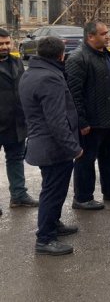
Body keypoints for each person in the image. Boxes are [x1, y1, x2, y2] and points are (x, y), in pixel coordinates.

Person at [19, 36, 83, 255]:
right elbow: (56, 121)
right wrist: (74, 148)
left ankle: (53, 224)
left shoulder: (31, 72)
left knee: (53, 189)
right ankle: (45, 238)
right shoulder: (50, 78)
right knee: (52, 193)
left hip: (43, 144)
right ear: (61, 55)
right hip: (54, 148)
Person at [65, 20, 110, 211]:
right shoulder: (78, 58)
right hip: (91, 121)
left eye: (107, 32)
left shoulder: (104, 54)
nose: (108, 36)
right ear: (90, 36)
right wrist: (81, 121)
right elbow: (73, 93)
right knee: (86, 159)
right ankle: (82, 197)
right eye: (103, 33)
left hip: (108, 116)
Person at [0, 28, 38, 216]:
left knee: (15, 159)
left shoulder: (16, 62)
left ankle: (18, 195)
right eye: (1, 44)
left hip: (16, 123)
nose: (5, 47)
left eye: (7, 43)